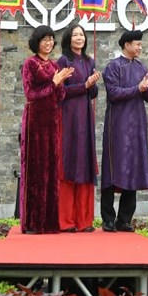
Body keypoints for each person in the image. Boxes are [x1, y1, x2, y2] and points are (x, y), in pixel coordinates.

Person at [100, 29, 148, 232]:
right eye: (137, 44)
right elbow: (113, 93)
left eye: (140, 44)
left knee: (133, 168)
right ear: (126, 45)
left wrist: (147, 88)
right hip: (117, 125)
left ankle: (124, 219)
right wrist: (137, 89)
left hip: (137, 125)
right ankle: (108, 219)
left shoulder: (141, 67)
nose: (140, 47)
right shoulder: (113, 67)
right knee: (112, 169)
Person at [21, 25, 72, 232]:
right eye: (45, 39)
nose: (49, 43)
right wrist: (53, 83)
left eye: (51, 39)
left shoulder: (53, 65)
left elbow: (60, 97)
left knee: (51, 169)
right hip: (35, 122)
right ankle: (33, 222)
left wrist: (60, 84)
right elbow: (30, 94)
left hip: (52, 122)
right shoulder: (30, 64)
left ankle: (50, 222)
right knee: (36, 170)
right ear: (37, 42)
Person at [57, 21, 99, 232]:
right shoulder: (64, 61)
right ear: (68, 39)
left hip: (85, 117)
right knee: (69, 163)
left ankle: (84, 221)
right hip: (69, 117)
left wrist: (93, 84)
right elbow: (61, 92)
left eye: (81, 35)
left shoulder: (90, 61)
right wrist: (85, 85)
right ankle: (66, 221)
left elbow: (93, 93)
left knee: (85, 163)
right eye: (75, 35)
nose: (79, 38)